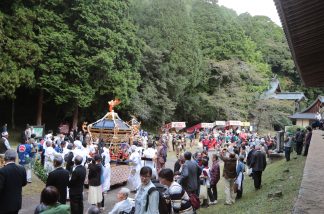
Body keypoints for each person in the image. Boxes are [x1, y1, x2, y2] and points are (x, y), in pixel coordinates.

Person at [0, 150, 27, 214]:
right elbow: (24, 183)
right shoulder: (22, 169)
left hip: (4, 204)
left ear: (5, 158)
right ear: (15, 158)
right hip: (16, 203)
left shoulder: (2, 171)